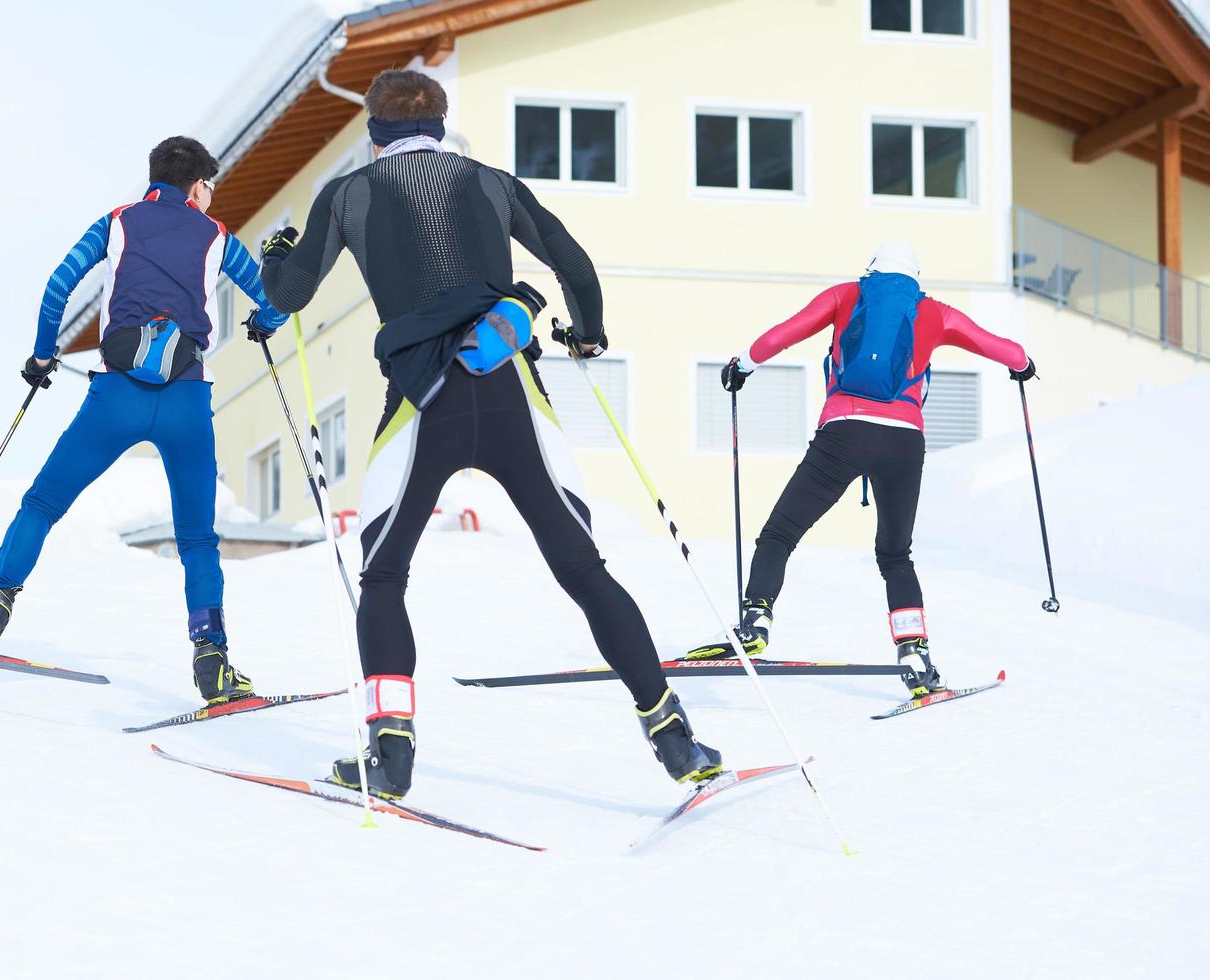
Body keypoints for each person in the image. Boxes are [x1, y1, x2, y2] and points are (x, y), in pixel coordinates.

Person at [258, 69, 722, 800]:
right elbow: (574, 264)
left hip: (421, 401)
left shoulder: (347, 195)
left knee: (383, 575)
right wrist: (590, 335)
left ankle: (392, 752)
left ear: (373, 133)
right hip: (509, 392)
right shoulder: (489, 181)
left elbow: (286, 297)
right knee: (584, 570)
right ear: (438, 128)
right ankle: (673, 735)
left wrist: (277, 253)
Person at [0, 136, 288, 706]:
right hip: (187, 400)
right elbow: (275, 300)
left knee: (42, 504)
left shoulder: (117, 221)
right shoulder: (218, 237)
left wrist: (45, 354)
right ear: (197, 185)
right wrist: (263, 322)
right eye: (210, 186)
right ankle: (213, 662)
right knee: (197, 537)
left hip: (115, 395)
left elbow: (57, 285)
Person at [685, 241, 1036, 699]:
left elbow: (779, 336)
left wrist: (742, 366)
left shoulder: (846, 295)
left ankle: (754, 622)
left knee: (779, 534)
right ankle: (914, 652)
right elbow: (1004, 349)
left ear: (870, 273)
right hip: (904, 443)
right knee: (895, 555)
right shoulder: (935, 312)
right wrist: (1024, 366)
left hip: (844, 433)